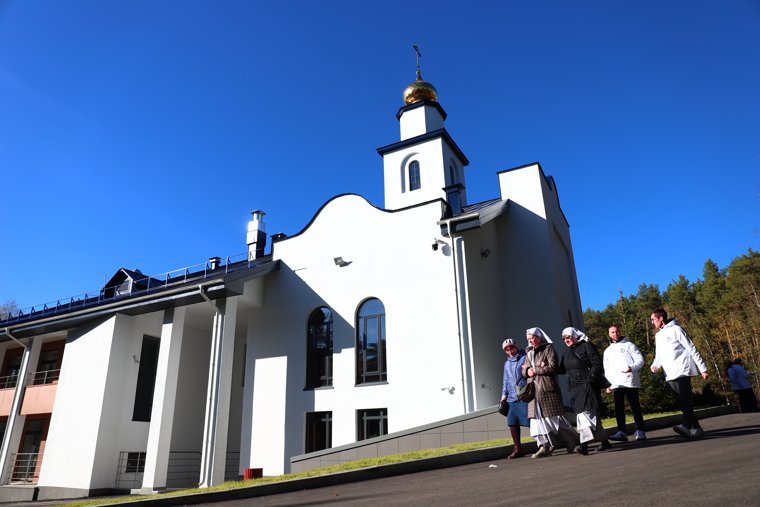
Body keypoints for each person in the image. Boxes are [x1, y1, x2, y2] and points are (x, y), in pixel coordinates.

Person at [649, 308, 709, 439]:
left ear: (661, 318)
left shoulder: (677, 329)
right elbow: (659, 354)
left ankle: (685, 426)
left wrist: (702, 368)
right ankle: (697, 428)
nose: (652, 322)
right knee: (681, 401)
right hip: (670, 372)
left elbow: (691, 348)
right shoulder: (658, 335)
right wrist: (655, 365)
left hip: (683, 368)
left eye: (653, 319)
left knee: (686, 398)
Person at [522, 327, 579, 458]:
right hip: (533, 392)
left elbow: (553, 367)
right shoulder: (528, 352)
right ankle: (543, 446)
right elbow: (524, 369)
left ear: (539, 337)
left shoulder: (548, 349)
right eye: (529, 339)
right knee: (536, 421)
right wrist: (527, 371)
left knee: (554, 419)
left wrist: (535, 370)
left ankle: (571, 439)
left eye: (533, 339)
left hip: (547, 389)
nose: (531, 342)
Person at [559, 327, 612, 455]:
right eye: (564, 338)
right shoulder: (567, 352)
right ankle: (605, 441)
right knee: (587, 414)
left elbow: (597, 363)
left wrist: (591, 378)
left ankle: (583, 446)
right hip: (574, 388)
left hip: (588, 386)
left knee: (585, 415)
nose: (567, 340)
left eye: (569, 337)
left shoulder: (586, 346)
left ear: (575, 336)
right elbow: (561, 369)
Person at [603, 325, 646, 441]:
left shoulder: (629, 345)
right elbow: (607, 369)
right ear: (609, 334)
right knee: (619, 409)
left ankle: (640, 430)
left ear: (620, 332)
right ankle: (621, 432)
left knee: (635, 407)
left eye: (616, 332)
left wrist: (631, 368)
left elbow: (641, 361)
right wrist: (608, 384)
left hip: (630, 381)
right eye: (612, 332)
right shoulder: (607, 351)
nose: (615, 334)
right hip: (616, 384)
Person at [500, 338, 529, 458]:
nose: (510, 352)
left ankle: (546, 444)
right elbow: (506, 381)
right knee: (512, 422)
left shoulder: (525, 357)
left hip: (524, 394)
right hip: (512, 398)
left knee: (531, 421)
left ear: (516, 347)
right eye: (507, 350)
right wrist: (503, 396)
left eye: (511, 348)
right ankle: (517, 448)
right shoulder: (506, 364)